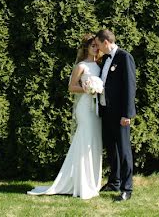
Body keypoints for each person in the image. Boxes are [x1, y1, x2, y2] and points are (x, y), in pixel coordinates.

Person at [27, 33, 103, 199]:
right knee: (84, 141)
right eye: (92, 46)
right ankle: (82, 185)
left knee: (94, 143)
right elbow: (71, 87)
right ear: (86, 48)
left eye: (97, 45)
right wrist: (88, 89)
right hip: (85, 107)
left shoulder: (99, 64)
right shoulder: (81, 66)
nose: (95, 48)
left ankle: (92, 182)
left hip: (96, 109)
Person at [95, 28, 136, 202]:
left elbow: (129, 86)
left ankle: (127, 188)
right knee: (111, 149)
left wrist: (127, 114)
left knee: (124, 151)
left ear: (106, 42)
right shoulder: (105, 59)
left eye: (98, 44)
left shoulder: (124, 57)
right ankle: (114, 181)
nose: (97, 48)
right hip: (106, 111)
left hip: (120, 114)